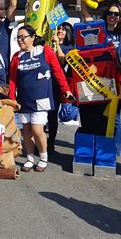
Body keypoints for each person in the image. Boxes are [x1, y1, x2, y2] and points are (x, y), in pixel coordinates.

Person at [9, 25, 73, 172]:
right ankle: (30, 158)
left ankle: (43, 157)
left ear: (32, 38)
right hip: (24, 99)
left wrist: (66, 89)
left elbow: (57, 71)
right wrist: (12, 98)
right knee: (26, 131)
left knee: (37, 129)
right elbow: (12, 79)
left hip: (41, 98)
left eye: (23, 37)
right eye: (18, 37)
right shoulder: (16, 57)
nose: (20, 40)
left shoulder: (45, 51)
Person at [81, 2, 121, 156]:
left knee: (116, 119)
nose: (113, 16)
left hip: (117, 82)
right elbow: (86, 15)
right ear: (106, 15)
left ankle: (114, 153)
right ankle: (98, 149)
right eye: (110, 13)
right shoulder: (99, 30)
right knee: (99, 117)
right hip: (99, 81)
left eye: (116, 14)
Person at [47, 22, 74, 153]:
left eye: (64, 29)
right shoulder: (48, 43)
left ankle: (50, 142)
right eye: (59, 28)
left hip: (57, 85)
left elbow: (63, 61)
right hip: (45, 82)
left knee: (52, 115)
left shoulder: (70, 47)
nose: (60, 31)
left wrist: (57, 44)